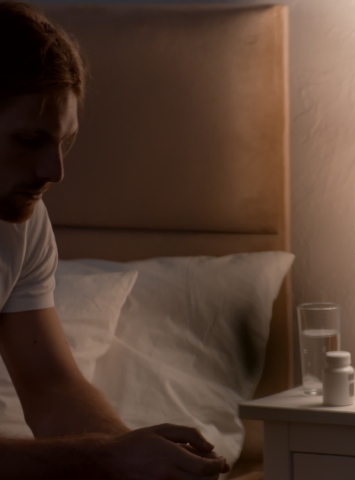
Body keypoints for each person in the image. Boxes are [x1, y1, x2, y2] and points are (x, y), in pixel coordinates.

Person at [0, 2, 230, 478]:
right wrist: (104, 457)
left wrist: (134, 456)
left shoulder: (22, 221)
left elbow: (50, 388)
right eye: (27, 141)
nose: (53, 172)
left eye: (63, 142)